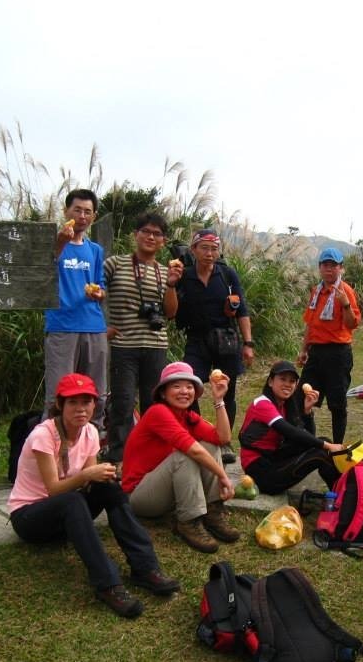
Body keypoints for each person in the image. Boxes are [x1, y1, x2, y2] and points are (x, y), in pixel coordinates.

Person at [7, 373, 180, 619]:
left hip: (64, 515)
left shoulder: (89, 432)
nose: (81, 409)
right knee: (72, 500)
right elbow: (54, 489)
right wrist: (89, 474)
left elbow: (88, 481)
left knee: (108, 487)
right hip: (29, 517)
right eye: (73, 402)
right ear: (60, 404)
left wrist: (102, 475)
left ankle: (145, 568)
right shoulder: (42, 436)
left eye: (86, 402)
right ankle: (108, 584)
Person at [120, 361, 240, 554]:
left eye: (189, 386)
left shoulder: (187, 416)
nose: (184, 391)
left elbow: (223, 438)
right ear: (163, 393)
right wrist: (223, 476)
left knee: (210, 445)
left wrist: (219, 400)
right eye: (176, 386)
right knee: (184, 456)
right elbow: (193, 451)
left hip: (164, 489)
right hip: (139, 496)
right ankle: (188, 522)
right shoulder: (158, 412)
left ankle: (213, 511)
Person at [103, 209, 183, 460]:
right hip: (123, 345)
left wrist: (171, 284)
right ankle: (118, 457)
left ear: (163, 241)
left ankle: (150, 454)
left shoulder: (164, 271)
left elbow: (170, 313)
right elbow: (94, 293)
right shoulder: (114, 264)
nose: (150, 237)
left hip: (155, 345)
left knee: (154, 405)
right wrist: (100, 327)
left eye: (157, 234)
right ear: (135, 235)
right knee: (123, 402)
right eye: (145, 231)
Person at [174, 229, 255, 463]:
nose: (210, 253)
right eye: (204, 248)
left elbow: (242, 311)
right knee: (190, 388)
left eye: (214, 249)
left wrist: (248, 343)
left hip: (226, 339)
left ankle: (225, 442)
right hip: (196, 339)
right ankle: (196, 436)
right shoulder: (185, 276)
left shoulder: (227, 275)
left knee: (227, 391)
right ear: (194, 250)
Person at [43, 189, 108, 431]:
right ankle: (51, 447)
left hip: (94, 326)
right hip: (62, 325)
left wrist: (99, 293)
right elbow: (43, 269)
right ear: (66, 211)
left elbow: (100, 285)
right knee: (58, 394)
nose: (82, 216)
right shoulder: (54, 243)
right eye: (77, 210)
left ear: (93, 216)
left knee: (96, 392)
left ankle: (92, 443)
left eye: (87, 212)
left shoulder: (95, 250)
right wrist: (60, 242)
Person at [238, 360, 343, 495]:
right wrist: (327, 445)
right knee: (322, 452)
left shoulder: (285, 405)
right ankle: (340, 498)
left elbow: (306, 437)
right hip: (261, 474)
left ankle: (338, 495)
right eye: (282, 379)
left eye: (292, 381)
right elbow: (290, 432)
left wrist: (307, 412)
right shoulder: (262, 404)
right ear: (270, 382)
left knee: (323, 442)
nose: (287, 384)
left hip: (273, 460)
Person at [296, 247, 361, 444]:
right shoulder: (316, 291)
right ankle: (309, 442)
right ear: (320, 268)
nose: (329, 269)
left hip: (338, 354)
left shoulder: (345, 291)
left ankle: (337, 446)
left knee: (337, 404)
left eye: (334, 265)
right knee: (303, 398)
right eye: (325, 265)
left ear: (341, 268)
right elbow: (311, 324)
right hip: (316, 353)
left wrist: (346, 304)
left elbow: (352, 324)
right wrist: (304, 350)